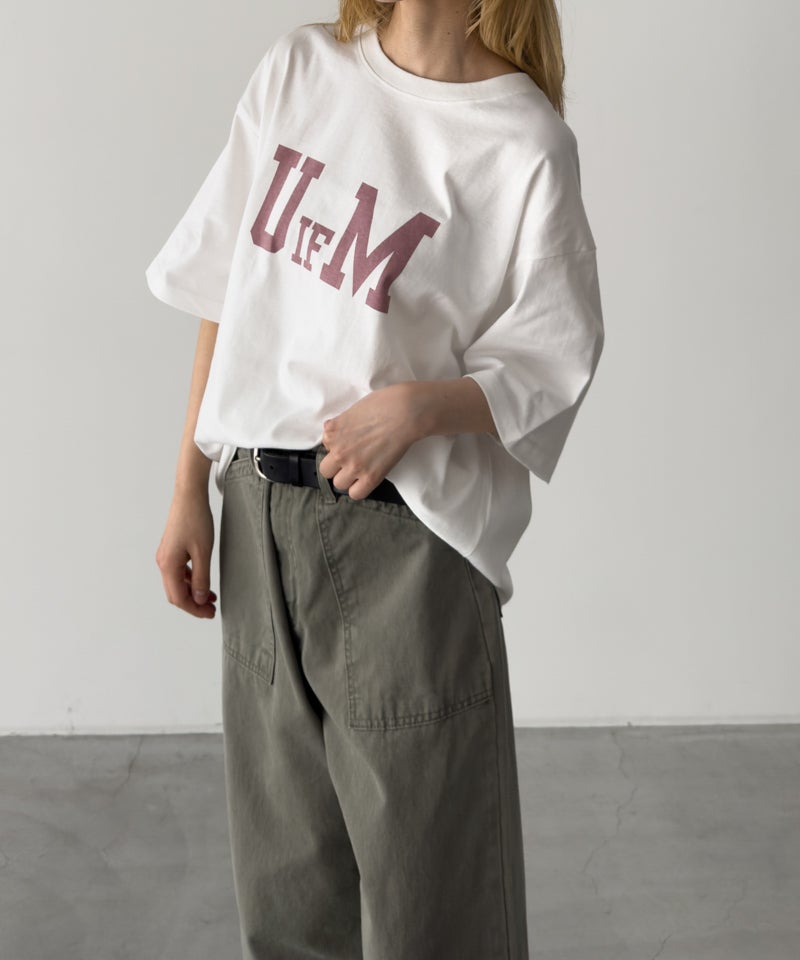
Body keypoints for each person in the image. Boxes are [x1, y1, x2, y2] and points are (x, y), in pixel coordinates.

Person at [147, 1, 605, 957]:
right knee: (287, 897)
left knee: (435, 908)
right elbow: (225, 286)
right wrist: (189, 485)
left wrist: (419, 409)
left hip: (406, 551)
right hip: (257, 514)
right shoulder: (303, 68)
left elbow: (553, 356)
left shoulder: (522, 140)